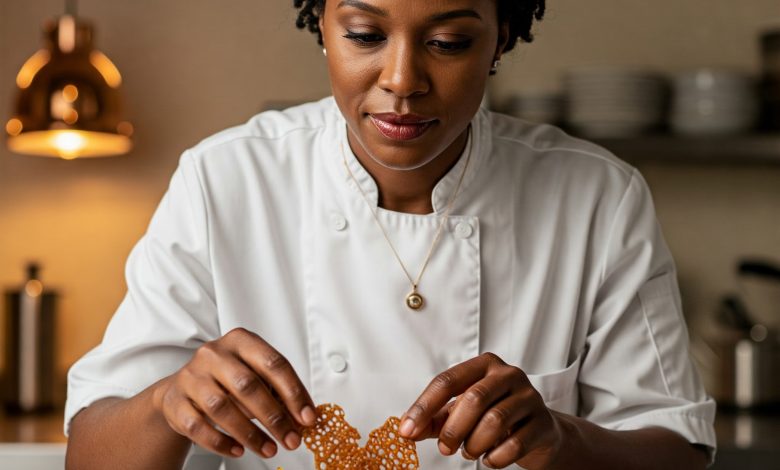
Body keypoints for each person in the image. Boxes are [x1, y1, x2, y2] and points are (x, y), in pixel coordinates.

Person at [64, 1, 716, 469]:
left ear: (503, 34)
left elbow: (673, 449)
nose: (402, 80)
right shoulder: (224, 182)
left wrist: (561, 441)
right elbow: (90, 457)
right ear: (321, 23)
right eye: (365, 33)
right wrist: (166, 401)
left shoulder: (597, 198)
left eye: (449, 42)